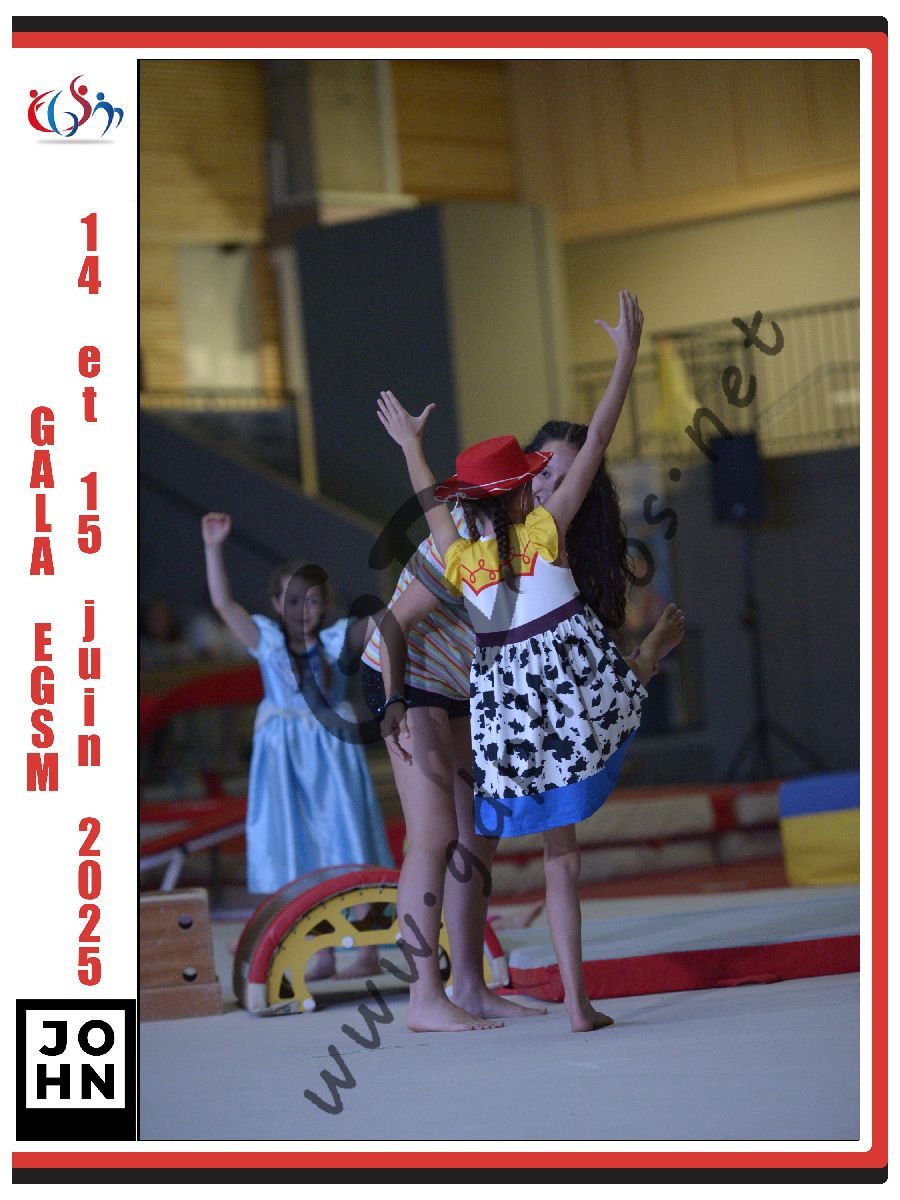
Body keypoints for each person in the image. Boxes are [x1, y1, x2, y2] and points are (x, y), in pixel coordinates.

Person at [379, 290, 685, 1032]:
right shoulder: (547, 528)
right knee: (548, 851)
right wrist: (625, 358)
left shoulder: (461, 556)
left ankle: (477, 986)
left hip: (501, 704)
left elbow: (429, 503)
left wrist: (412, 447)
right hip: (545, 686)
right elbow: (600, 437)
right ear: (525, 493)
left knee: (502, 839)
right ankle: (572, 1003)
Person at [201, 512, 393, 980]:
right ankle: (319, 950)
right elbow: (224, 604)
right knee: (298, 847)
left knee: (347, 839)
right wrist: (213, 547)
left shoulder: (334, 639)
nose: (302, 609)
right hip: (284, 759)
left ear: (324, 605)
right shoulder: (266, 641)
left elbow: (384, 623)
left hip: (330, 753)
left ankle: (367, 947)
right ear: (275, 603)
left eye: (312, 600)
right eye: (292, 599)